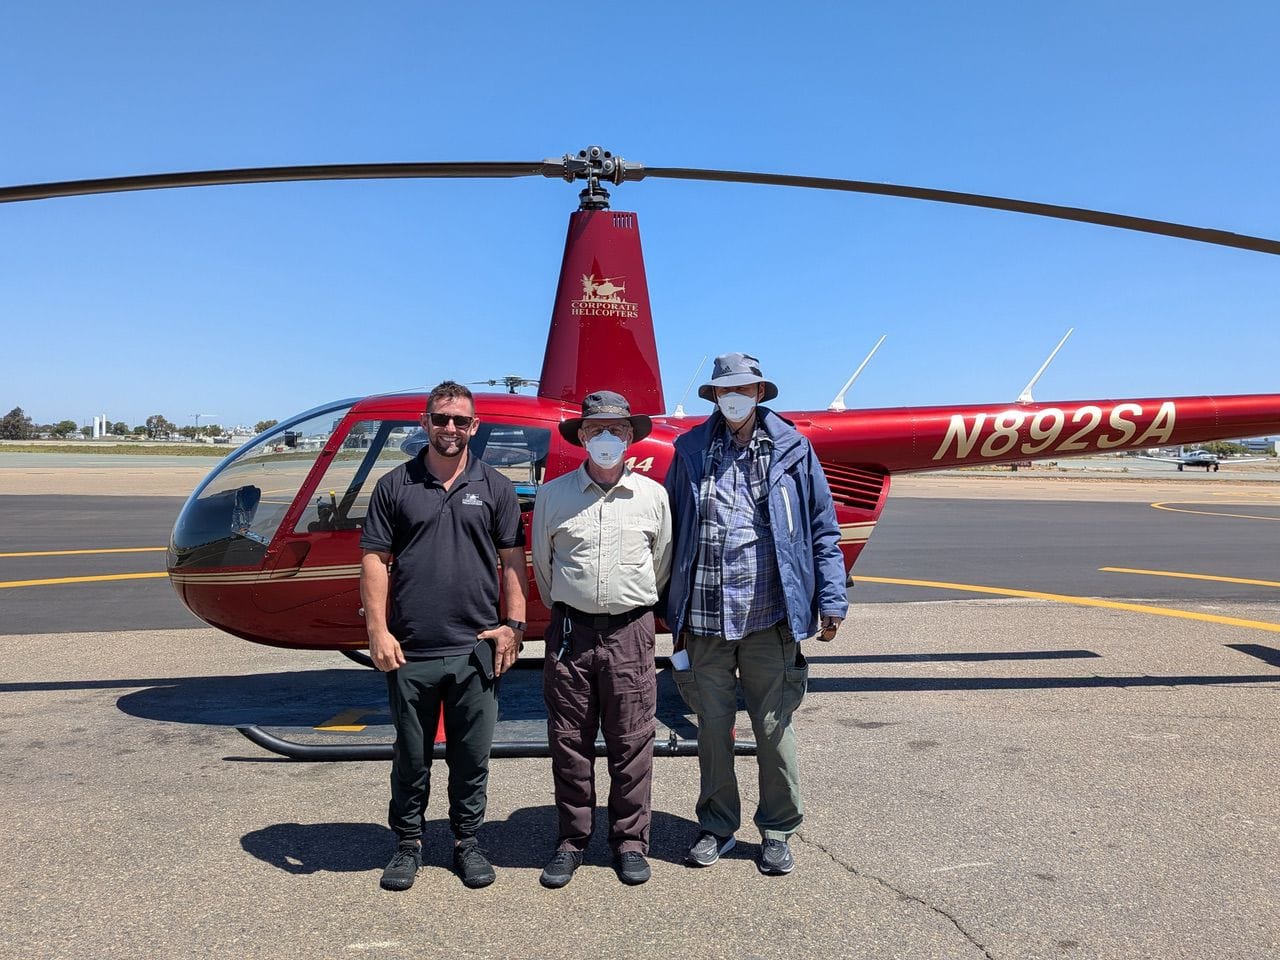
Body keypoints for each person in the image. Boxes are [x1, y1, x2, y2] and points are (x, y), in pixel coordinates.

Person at [664, 352, 847, 876]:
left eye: (743, 389)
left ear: (760, 393)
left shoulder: (793, 449)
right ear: (714, 397)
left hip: (771, 617)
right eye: (725, 390)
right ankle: (717, 825)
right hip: (705, 618)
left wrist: (831, 598)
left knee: (773, 729)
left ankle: (778, 830)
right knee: (712, 730)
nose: (734, 398)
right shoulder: (690, 451)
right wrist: (665, 606)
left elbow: (822, 528)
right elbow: (669, 527)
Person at [359, 380, 528, 892]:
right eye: (440, 419)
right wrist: (377, 631)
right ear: (425, 423)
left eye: (460, 420)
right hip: (411, 649)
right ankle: (408, 842)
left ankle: (467, 840)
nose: (450, 428)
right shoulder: (395, 485)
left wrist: (514, 627)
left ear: (474, 426)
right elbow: (374, 559)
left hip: (475, 649)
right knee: (410, 757)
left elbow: (513, 561)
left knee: (471, 757)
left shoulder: (495, 487)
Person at [531, 390, 672, 888]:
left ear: (630, 437)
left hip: (631, 631)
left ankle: (630, 842)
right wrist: (574, 605)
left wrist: (627, 606)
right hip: (572, 631)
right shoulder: (553, 496)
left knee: (631, 740)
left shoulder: (653, 496)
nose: (606, 438)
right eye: (596, 430)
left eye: (616, 429)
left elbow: (661, 564)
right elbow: (544, 569)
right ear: (582, 437)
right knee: (569, 741)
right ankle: (572, 841)